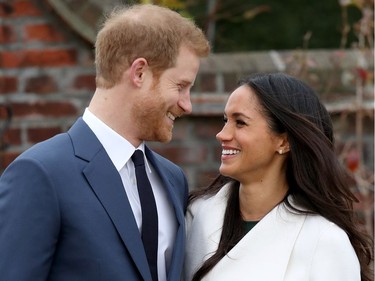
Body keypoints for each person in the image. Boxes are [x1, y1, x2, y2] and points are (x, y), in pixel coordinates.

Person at [0, 4, 210, 281]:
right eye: (180, 86)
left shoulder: (173, 179)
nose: (187, 105)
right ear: (139, 73)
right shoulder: (41, 173)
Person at [184, 73, 373, 281]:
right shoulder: (196, 216)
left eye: (240, 123)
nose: (222, 134)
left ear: (283, 142)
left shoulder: (324, 241)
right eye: (225, 120)